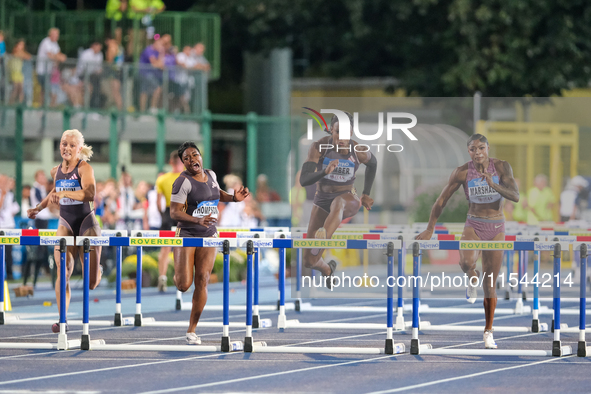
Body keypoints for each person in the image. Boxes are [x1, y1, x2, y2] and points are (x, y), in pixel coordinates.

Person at [416, 134, 520, 349]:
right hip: (474, 223)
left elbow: (515, 196)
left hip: (496, 226)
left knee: (490, 285)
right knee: (465, 263)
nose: (477, 152)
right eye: (473, 149)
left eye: (481, 148)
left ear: (488, 148)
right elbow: (441, 200)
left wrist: (493, 184)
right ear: (469, 151)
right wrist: (429, 228)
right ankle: (472, 277)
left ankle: (488, 331)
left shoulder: (501, 167)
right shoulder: (462, 172)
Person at [170, 141, 250, 344]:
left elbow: (216, 193)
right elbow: (174, 212)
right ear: (183, 163)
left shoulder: (212, 175)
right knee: (183, 285)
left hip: (209, 234)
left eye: (194, 155)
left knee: (203, 280)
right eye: (186, 158)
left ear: (200, 156)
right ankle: (179, 271)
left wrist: (233, 198)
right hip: (187, 233)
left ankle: (192, 330)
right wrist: (197, 219)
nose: (191, 160)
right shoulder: (182, 182)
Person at [27, 129, 102, 333]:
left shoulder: (84, 168)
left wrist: (65, 192)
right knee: (63, 270)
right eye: (63, 144)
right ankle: (63, 319)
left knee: (92, 283)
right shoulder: (55, 171)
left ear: (79, 149)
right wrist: (39, 208)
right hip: (66, 223)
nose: (66, 148)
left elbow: (89, 193)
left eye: (71, 145)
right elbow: (54, 191)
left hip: (87, 224)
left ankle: (98, 271)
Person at [299, 111, 377, 287]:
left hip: (348, 197)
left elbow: (373, 164)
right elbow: (304, 180)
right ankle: (328, 269)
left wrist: (366, 193)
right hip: (322, 200)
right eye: (337, 133)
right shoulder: (319, 147)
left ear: (350, 133)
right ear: (331, 132)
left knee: (339, 202)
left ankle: (323, 239)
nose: (340, 138)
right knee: (309, 261)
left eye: (344, 133)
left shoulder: (358, 151)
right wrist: (323, 172)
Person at [155, 151, 184, 292]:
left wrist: (163, 215)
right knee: (183, 248)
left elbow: (157, 202)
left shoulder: (162, 179)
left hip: (168, 211)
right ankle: (180, 279)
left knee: (166, 249)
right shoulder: (188, 177)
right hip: (181, 213)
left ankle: (163, 277)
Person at [36, 28, 66, 105]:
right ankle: (44, 106)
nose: (56, 36)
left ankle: (44, 107)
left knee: (45, 90)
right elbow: (51, 55)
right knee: (46, 90)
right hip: (42, 71)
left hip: (49, 71)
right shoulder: (46, 42)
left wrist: (59, 56)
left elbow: (59, 53)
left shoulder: (55, 43)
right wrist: (59, 57)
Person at [0, 175, 20, 280]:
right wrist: (3, 195)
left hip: (9, 226)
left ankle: (10, 273)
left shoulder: (11, 194)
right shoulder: (4, 194)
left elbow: (16, 208)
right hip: (0, 227)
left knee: (9, 252)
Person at [76, 42, 104, 109]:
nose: (99, 49)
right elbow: (84, 68)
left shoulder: (100, 55)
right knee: (86, 90)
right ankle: (82, 107)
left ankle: (94, 107)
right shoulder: (86, 54)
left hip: (93, 76)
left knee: (97, 90)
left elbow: (98, 67)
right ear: (93, 46)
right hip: (82, 75)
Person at [8, 39, 32, 104]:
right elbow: (22, 55)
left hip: (19, 73)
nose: (21, 46)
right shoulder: (15, 52)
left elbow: (28, 56)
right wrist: (23, 54)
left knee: (21, 90)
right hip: (14, 73)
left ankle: (19, 104)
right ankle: (11, 104)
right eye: (20, 44)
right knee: (15, 89)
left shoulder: (22, 52)